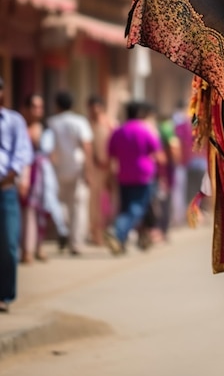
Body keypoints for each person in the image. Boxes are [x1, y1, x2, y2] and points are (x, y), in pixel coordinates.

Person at [105, 101, 164, 255]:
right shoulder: (145, 130)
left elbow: (110, 156)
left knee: (126, 208)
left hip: (123, 175)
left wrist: (109, 177)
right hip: (143, 176)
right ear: (140, 113)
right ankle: (116, 232)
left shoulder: (118, 131)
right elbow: (159, 156)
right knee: (136, 208)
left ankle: (122, 242)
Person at [21, 94, 69, 262]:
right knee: (25, 213)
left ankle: (38, 246)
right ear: (25, 109)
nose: (38, 111)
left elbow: (52, 154)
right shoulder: (19, 128)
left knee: (41, 211)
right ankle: (26, 249)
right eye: (34, 107)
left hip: (41, 176)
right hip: (22, 175)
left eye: (40, 107)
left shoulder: (46, 130)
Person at [0, 76, 34, 312]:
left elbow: (22, 152)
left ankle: (6, 296)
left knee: (9, 245)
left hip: (5, 191)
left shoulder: (13, 121)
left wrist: (11, 175)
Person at [47, 90, 93, 256]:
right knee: (78, 206)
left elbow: (49, 148)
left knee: (61, 203)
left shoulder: (52, 122)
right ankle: (76, 242)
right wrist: (88, 170)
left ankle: (63, 230)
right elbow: (86, 146)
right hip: (77, 168)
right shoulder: (79, 121)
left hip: (58, 169)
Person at [86, 95, 114, 246]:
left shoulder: (109, 124)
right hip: (93, 170)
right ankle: (95, 235)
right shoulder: (87, 125)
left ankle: (105, 234)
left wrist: (111, 169)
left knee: (106, 203)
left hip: (107, 169)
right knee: (93, 205)